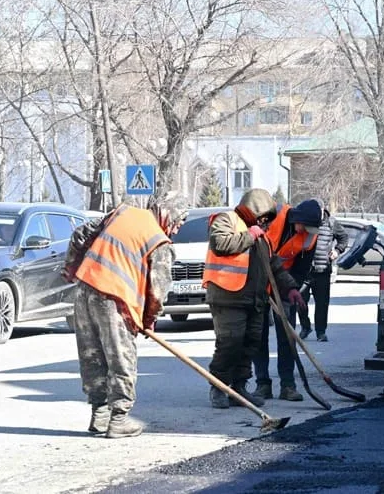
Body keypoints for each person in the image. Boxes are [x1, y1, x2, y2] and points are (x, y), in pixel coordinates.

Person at [65, 192, 188, 438]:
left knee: (92, 355)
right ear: (168, 214)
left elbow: (80, 234)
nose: (177, 228)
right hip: (113, 299)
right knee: (121, 358)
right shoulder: (159, 241)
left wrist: (70, 268)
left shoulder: (121, 213)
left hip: (83, 290)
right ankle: (119, 419)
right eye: (179, 221)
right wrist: (148, 320)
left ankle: (99, 415)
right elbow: (158, 290)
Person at [204, 188, 302, 409]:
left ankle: (239, 387)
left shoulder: (261, 236)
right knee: (229, 343)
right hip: (228, 297)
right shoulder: (226, 220)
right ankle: (219, 387)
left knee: (249, 345)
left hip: (254, 300)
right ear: (255, 210)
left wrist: (291, 288)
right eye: (264, 217)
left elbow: (274, 265)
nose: (266, 222)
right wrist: (251, 234)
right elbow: (220, 244)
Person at [251, 198, 320, 402]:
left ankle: (288, 385)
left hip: (284, 284)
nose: (305, 232)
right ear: (297, 218)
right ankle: (262, 384)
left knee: (287, 335)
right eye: (304, 227)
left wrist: (292, 289)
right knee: (258, 334)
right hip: (258, 280)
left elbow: (301, 268)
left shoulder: (309, 238)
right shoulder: (271, 215)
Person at [298, 202, 350, 342]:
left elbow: (344, 238)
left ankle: (321, 332)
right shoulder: (306, 221)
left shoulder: (331, 223)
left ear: (322, 210)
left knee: (322, 304)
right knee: (300, 301)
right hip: (305, 271)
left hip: (323, 271)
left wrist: (337, 250)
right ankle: (305, 327)